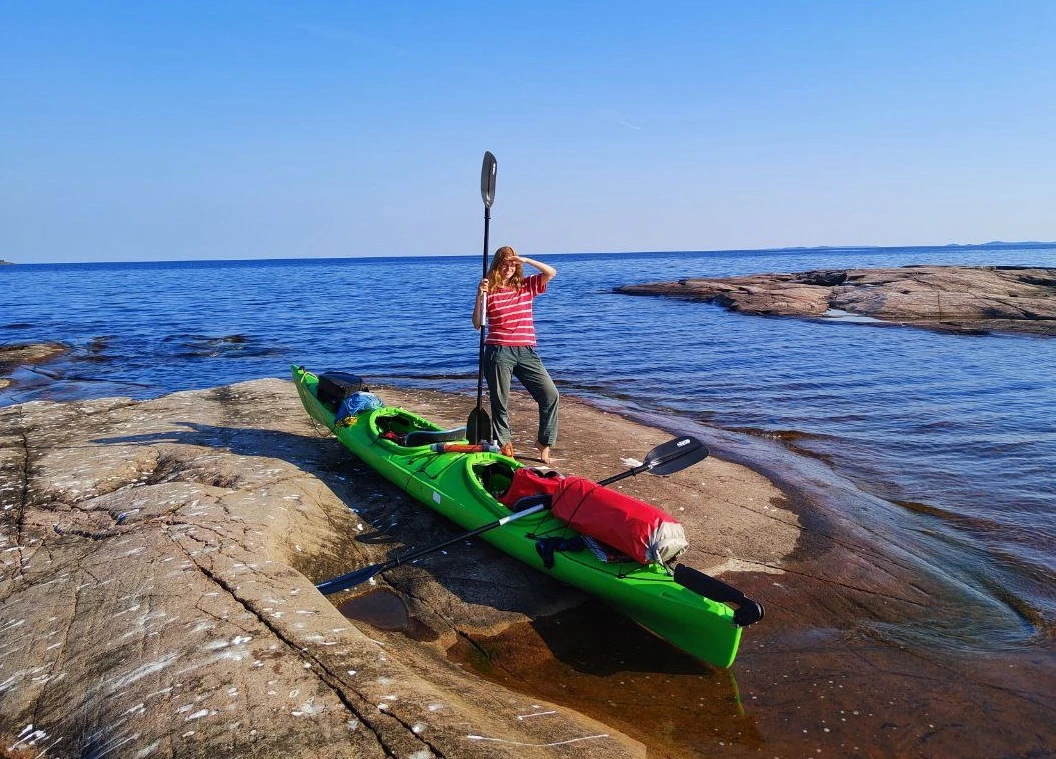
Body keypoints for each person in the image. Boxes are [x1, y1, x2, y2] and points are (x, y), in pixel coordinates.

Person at [472, 246, 559, 464]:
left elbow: (551, 273)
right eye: (505, 263)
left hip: (526, 350)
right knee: (500, 402)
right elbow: (477, 324)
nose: (509, 268)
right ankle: (505, 444)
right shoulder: (489, 290)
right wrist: (479, 295)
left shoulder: (526, 286)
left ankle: (544, 443)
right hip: (498, 351)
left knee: (550, 394)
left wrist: (527, 259)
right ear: (497, 265)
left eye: (513, 264)